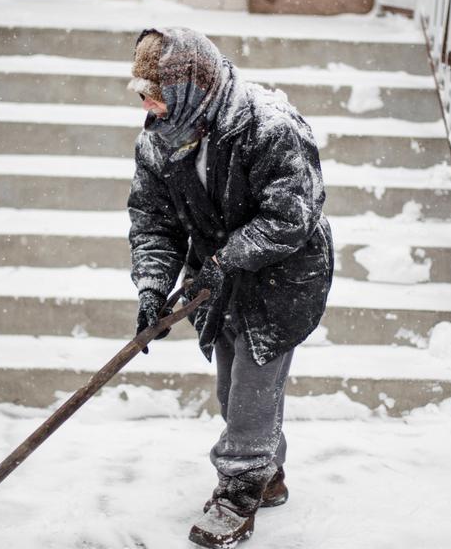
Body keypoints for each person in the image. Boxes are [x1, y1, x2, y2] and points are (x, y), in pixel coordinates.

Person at [126, 27, 333, 549]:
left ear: (190, 87)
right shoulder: (160, 137)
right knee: (231, 387)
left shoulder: (269, 127)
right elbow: (154, 220)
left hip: (285, 272)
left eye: (155, 93)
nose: (148, 105)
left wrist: (229, 258)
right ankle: (268, 471)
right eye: (142, 94)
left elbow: (291, 216)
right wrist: (153, 286)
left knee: (252, 387)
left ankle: (239, 490)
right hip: (217, 273)